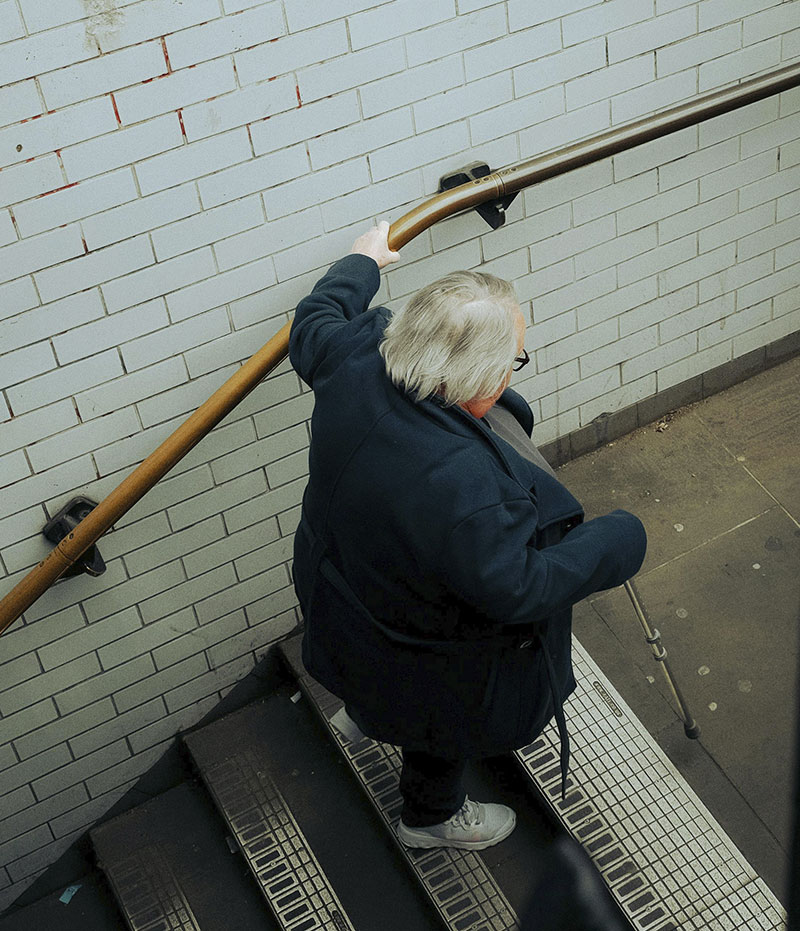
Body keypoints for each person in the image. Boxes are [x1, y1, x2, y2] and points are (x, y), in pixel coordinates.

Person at [288, 222, 647, 851]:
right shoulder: (472, 492)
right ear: (481, 381)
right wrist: (619, 540)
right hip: (417, 647)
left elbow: (318, 312)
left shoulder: (351, 355)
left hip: (337, 586)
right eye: (512, 362)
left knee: (367, 662)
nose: (513, 374)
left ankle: (366, 714)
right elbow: (519, 588)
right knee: (436, 722)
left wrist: (363, 261)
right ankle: (429, 820)